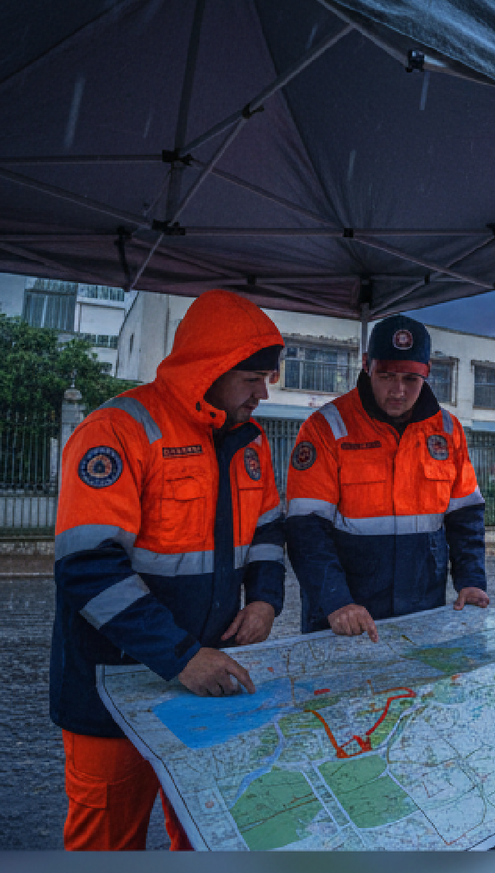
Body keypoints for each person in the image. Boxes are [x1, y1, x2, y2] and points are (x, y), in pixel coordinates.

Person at [50, 290, 287, 850]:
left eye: (267, 376)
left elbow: (268, 532)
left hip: (207, 684)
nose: (264, 391)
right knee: (106, 846)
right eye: (253, 377)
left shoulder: (252, 443)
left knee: (208, 837)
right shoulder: (119, 430)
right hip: (110, 690)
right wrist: (181, 656)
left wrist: (265, 600)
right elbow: (88, 568)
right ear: (210, 369)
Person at [286, 315, 487, 639]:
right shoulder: (326, 428)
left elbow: (465, 517)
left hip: (422, 612)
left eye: (410, 378)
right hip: (345, 618)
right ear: (367, 365)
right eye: (386, 375)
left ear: (427, 372)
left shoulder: (448, 431)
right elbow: (306, 528)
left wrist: (472, 581)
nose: (398, 390)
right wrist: (336, 601)